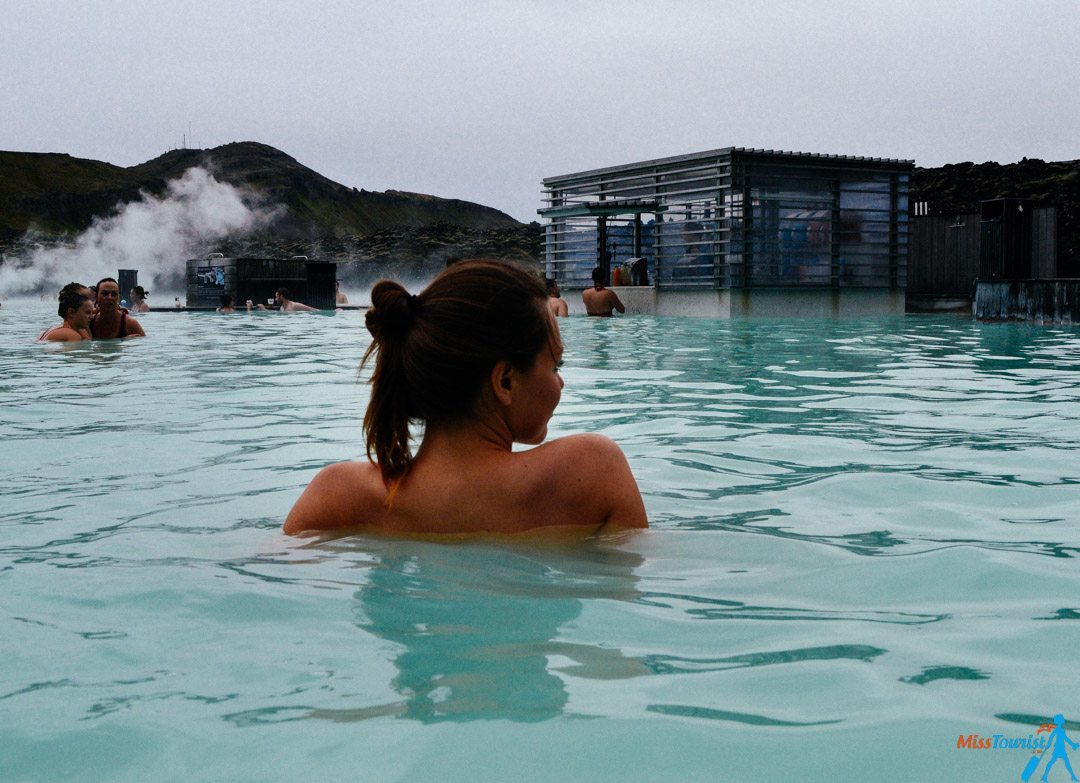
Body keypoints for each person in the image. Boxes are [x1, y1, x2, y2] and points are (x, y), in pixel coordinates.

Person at [284, 259, 647, 536]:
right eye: (555, 366)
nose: (560, 383)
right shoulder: (590, 472)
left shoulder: (339, 496)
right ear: (504, 381)